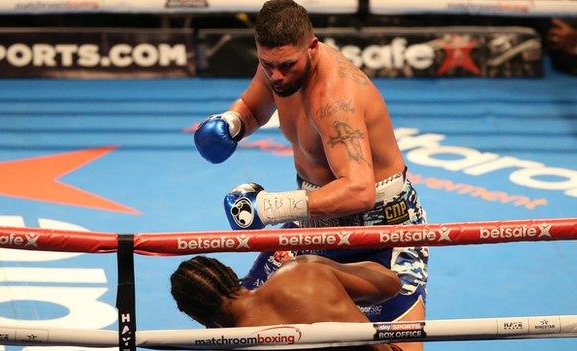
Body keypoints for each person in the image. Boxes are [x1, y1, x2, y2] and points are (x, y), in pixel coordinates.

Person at [193, 1, 428, 350]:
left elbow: (359, 190)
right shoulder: (279, 66)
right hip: (316, 223)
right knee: (240, 319)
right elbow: (255, 106)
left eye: (286, 66)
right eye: (266, 65)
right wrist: (232, 123)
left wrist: (269, 207)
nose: (276, 76)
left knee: (386, 348)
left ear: (312, 46)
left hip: (380, 232)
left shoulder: (335, 99)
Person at [170, 254, 404, 351]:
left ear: (197, 316)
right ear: (229, 273)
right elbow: (391, 284)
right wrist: (329, 276)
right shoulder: (300, 271)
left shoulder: (235, 345)